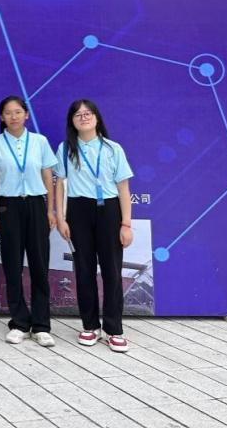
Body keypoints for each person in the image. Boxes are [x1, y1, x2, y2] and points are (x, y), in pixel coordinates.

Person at [54, 99, 134, 353]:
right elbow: (60, 185)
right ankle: (89, 325)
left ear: (97, 118)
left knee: (112, 271)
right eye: (78, 114)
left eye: (88, 113)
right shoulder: (65, 149)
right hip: (78, 211)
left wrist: (126, 223)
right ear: (72, 121)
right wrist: (61, 218)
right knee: (84, 270)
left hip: (109, 210)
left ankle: (114, 329)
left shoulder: (112, 149)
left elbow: (123, 188)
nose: (84, 117)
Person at [0, 96, 59, 347]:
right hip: (8, 206)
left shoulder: (39, 141)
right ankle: (19, 323)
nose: (13, 116)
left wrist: (50, 210)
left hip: (36, 204)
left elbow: (48, 176)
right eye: (8, 112)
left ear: (26, 114)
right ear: (1, 117)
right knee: (12, 265)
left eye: (18, 112)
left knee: (39, 265)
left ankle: (41, 325)